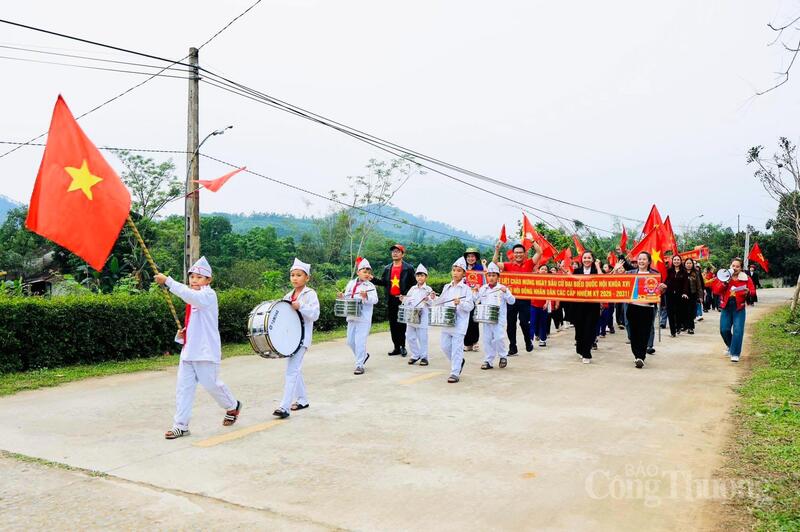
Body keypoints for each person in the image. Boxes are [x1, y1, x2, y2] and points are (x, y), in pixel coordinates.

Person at [155, 257, 241, 440]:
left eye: (199, 277)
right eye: (192, 276)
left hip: (205, 352)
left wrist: (168, 281)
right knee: (183, 389)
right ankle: (180, 425)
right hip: (188, 353)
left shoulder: (207, 296)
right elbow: (193, 325)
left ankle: (232, 405)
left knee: (211, 385)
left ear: (208, 280)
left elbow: (190, 295)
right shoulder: (193, 299)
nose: (194, 280)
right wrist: (181, 335)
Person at [272, 258, 320, 419]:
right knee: (294, 369)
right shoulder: (288, 295)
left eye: (299, 275)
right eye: (292, 275)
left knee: (291, 371)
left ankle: (284, 407)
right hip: (290, 339)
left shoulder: (310, 294)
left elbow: (315, 314)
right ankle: (302, 399)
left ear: (307, 278)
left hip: (303, 338)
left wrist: (302, 307)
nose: (295, 278)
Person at [491, 241, 542, 355]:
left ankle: (528, 341)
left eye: (520, 252)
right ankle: (512, 347)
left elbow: (539, 252)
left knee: (524, 323)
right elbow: (494, 263)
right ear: (513, 254)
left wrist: (532, 241)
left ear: (524, 254)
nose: (518, 255)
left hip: (525, 299)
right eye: (516, 253)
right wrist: (497, 250)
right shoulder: (508, 265)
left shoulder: (529, 263)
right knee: (511, 324)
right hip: (510, 300)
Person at [431, 257, 475, 383]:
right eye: (454, 270)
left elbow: (470, 306)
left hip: (460, 323)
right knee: (444, 346)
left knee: (457, 348)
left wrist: (460, 302)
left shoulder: (466, 289)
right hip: (447, 322)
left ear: (464, 273)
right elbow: (441, 302)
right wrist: (434, 297)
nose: (455, 273)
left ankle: (455, 372)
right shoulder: (447, 287)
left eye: (459, 270)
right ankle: (459, 361)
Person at [615, 252, 661, 368]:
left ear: (649, 261)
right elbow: (619, 282)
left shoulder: (654, 274)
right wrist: (616, 270)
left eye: (644, 259)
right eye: (639, 259)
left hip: (647, 308)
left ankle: (640, 357)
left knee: (644, 333)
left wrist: (662, 289)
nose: (641, 261)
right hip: (633, 307)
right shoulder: (630, 273)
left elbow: (658, 291)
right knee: (634, 333)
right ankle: (637, 355)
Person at [371, 244, 416, 357]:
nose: (394, 253)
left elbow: (413, 285)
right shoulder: (387, 268)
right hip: (391, 299)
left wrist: (407, 296)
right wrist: (373, 279)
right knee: (393, 323)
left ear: (403, 254)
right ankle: (396, 347)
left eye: (397, 251)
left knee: (402, 323)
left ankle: (402, 346)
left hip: (402, 300)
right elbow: (383, 282)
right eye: (393, 251)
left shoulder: (408, 268)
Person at [712, 258, 756, 362]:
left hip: (739, 307)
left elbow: (753, 291)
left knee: (738, 331)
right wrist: (724, 282)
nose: (735, 268)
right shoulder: (724, 276)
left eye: (737, 266)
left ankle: (735, 353)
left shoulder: (746, 278)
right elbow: (716, 290)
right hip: (726, 307)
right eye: (733, 266)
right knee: (724, 330)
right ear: (730, 266)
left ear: (741, 268)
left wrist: (748, 291)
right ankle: (731, 346)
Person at [474, 262, 516, 369]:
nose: (491, 278)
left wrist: (506, 292)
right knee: (487, 339)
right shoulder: (483, 288)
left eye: (493, 275)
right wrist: (475, 292)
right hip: (486, 318)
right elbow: (475, 301)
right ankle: (488, 361)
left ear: (498, 277)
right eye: (489, 275)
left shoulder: (502, 288)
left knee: (498, 338)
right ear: (486, 276)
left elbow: (512, 301)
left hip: (498, 319)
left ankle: (503, 356)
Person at [341, 258, 379, 375]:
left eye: (369, 272)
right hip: (352, 315)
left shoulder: (370, 286)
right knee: (350, 341)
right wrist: (343, 296)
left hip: (363, 317)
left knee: (360, 341)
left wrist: (366, 296)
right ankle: (364, 356)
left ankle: (359, 365)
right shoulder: (351, 283)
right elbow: (348, 297)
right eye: (364, 271)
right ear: (358, 272)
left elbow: (375, 300)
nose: (367, 274)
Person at [572, 251, 601, 364]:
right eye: (585, 258)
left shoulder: (595, 271)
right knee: (579, 330)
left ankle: (587, 353)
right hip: (578, 305)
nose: (587, 260)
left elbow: (602, 280)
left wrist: (598, 266)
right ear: (581, 259)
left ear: (592, 259)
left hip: (593, 305)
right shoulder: (577, 271)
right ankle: (580, 348)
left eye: (589, 257)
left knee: (590, 329)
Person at [402, 264, 433, 366]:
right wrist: (403, 299)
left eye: (422, 275)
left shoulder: (428, 290)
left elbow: (434, 302)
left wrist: (428, 299)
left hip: (423, 316)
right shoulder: (413, 289)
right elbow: (407, 301)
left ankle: (424, 357)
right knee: (410, 336)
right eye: (418, 275)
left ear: (426, 277)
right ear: (416, 277)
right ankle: (415, 355)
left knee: (422, 337)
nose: (420, 277)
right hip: (411, 315)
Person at [463, 247, 485, 351]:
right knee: (465, 320)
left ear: (476, 258)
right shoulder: (463, 268)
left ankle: (475, 341)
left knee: (474, 320)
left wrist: (479, 288)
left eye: (472, 256)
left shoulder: (480, 268)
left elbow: (485, 281)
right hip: (464, 297)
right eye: (468, 256)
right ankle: (467, 343)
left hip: (476, 297)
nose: (470, 258)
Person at [664, 255, 689, 337]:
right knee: (670, 313)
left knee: (678, 313)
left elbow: (686, 283)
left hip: (680, 295)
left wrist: (685, 293)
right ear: (672, 261)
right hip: (669, 294)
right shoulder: (669, 271)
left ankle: (678, 326)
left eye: (678, 260)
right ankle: (672, 332)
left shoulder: (684, 271)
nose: (676, 261)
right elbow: (666, 281)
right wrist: (664, 285)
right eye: (675, 260)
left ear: (680, 261)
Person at [530, 264, 550, 347]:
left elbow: (550, 293)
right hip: (533, 304)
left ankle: (543, 339)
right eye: (542, 269)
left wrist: (547, 303)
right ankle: (530, 340)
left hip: (543, 305)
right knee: (532, 322)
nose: (544, 270)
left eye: (545, 269)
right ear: (538, 270)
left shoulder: (549, 281)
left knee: (543, 323)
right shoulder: (534, 279)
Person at [684, 258, 703, 334]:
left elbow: (699, 285)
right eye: (687, 263)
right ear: (684, 264)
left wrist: (700, 296)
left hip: (692, 294)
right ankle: (685, 325)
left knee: (691, 311)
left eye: (690, 263)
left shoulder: (696, 273)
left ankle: (691, 327)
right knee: (684, 311)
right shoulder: (682, 272)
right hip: (683, 294)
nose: (688, 265)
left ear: (692, 264)